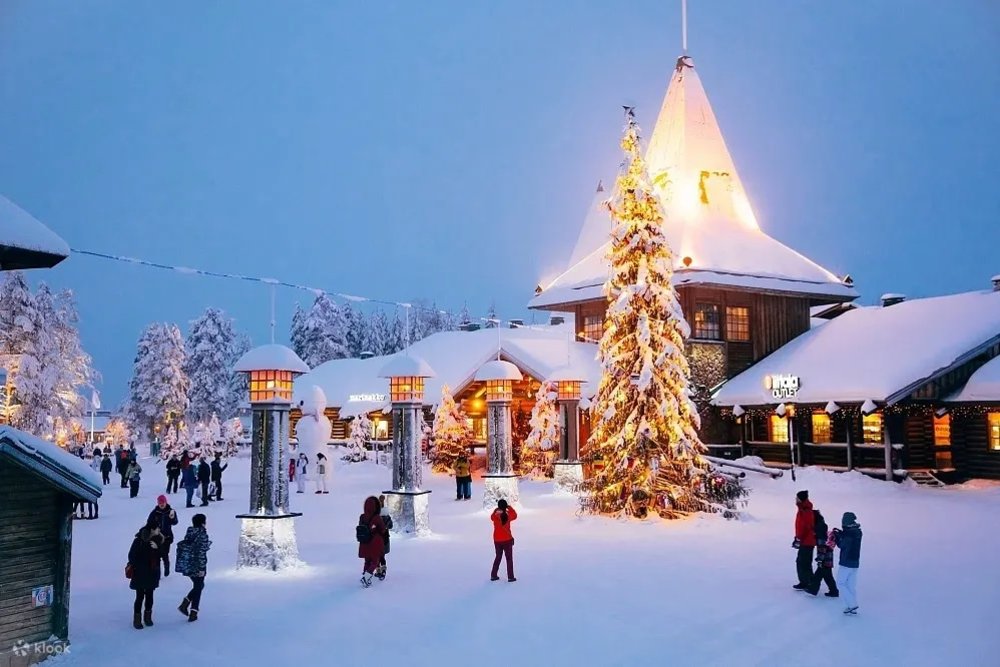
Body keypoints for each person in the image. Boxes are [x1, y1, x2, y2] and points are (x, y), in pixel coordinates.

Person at [127, 516, 163, 629]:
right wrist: (140, 564)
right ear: (152, 529)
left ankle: (148, 617)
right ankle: (137, 620)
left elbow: (163, 555)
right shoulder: (139, 540)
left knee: (150, 596)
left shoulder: (158, 540)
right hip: (140, 573)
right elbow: (131, 556)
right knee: (139, 596)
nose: (159, 531)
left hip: (152, 573)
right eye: (157, 529)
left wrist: (158, 548)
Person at [176, 513, 212, 622]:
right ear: (203, 523)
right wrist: (201, 569)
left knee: (198, 586)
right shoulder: (202, 535)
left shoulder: (189, 532)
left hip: (188, 565)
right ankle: (192, 611)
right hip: (198, 565)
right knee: (198, 586)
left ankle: (188, 605)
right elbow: (200, 553)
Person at [832, 511, 863, 615]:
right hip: (855, 562)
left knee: (840, 583)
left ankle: (852, 604)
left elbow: (842, 545)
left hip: (846, 562)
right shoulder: (856, 531)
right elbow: (847, 537)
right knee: (850, 585)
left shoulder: (849, 533)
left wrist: (837, 537)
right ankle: (851, 606)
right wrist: (841, 533)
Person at [808, 508, 839, 597]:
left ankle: (813, 589)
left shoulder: (819, 528)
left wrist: (820, 559)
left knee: (820, 573)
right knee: (827, 575)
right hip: (828, 554)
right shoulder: (821, 525)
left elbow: (822, 545)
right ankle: (833, 591)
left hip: (825, 556)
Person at [357, 496, 387, 588]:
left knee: (367, 561)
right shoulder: (377, 518)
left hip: (364, 542)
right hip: (375, 543)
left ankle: (364, 575)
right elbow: (382, 529)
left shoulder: (362, 517)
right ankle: (366, 578)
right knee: (375, 561)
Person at [147, 495, 178, 576]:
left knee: (165, 555)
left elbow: (175, 522)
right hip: (156, 537)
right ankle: (158, 573)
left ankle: (166, 569)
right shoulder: (154, 513)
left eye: (163, 503)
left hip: (167, 537)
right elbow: (149, 523)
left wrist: (172, 518)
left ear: (166, 502)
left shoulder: (170, 511)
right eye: (160, 503)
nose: (162, 505)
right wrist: (154, 529)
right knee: (156, 556)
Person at [792, 490, 816, 591]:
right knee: (803, 562)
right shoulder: (803, 509)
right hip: (805, 540)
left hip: (807, 541)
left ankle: (809, 582)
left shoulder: (805, 511)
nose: (795, 500)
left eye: (797, 498)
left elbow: (805, 527)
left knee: (803, 562)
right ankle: (806, 581)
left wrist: (799, 538)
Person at [490, 498, 517, 582]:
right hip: (507, 539)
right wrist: (509, 507)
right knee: (509, 558)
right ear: (505, 507)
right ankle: (510, 576)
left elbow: (491, 516)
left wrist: (496, 510)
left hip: (497, 540)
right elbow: (515, 515)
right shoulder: (508, 515)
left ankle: (493, 575)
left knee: (498, 557)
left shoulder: (495, 515)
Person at [375, 494, 393, 580]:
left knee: (376, 556)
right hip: (385, 539)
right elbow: (391, 526)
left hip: (376, 539)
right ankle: (383, 571)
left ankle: (378, 571)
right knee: (382, 556)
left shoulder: (375, 517)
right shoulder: (387, 516)